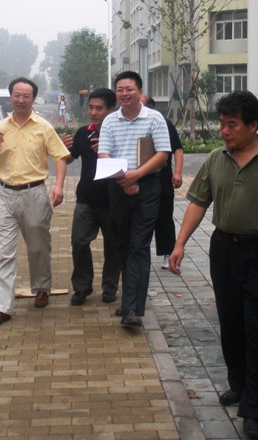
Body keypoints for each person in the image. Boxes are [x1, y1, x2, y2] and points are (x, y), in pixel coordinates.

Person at [169, 91, 258, 440]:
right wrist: (180, 244)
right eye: (222, 124)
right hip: (224, 249)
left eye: (232, 125)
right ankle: (239, 384)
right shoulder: (216, 159)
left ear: (253, 125)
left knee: (256, 328)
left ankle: (255, 409)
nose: (224, 131)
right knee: (230, 324)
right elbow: (198, 203)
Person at [0, 77, 70, 327]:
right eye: (17, 95)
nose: (20, 100)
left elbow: (60, 156)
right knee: (4, 252)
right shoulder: (0, 127)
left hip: (34, 194)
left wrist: (59, 186)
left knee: (37, 246)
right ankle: (1, 307)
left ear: (33, 99)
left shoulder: (43, 127)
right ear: (11, 97)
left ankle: (41, 287)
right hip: (5, 195)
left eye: (26, 96)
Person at [98, 71, 171, 328]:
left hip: (147, 188)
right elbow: (104, 154)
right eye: (120, 90)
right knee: (122, 244)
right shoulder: (110, 121)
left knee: (139, 245)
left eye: (129, 89)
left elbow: (162, 154)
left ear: (140, 92)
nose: (124, 94)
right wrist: (124, 180)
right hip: (118, 187)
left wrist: (136, 176)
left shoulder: (154, 118)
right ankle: (130, 299)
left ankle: (132, 309)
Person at [60, 88, 122, 306]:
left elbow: (129, 163)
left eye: (99, 108)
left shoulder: (119, 133)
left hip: (113, 199)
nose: (93, 113)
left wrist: (106, 153)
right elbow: (70, 158)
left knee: (113, 245)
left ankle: (110, 286)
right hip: (86, 198)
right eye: (91, 108)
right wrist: (63, 147)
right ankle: (82, 287)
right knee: (78, 241)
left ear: (111, 110)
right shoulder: (83, 133)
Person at [144, 97, 183, 269]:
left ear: (151, 107)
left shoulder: (163, 123)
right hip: (139, 181)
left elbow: (177, 149)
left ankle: (168, 253)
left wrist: (178, 172)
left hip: (162, 180)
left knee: (164, 217)